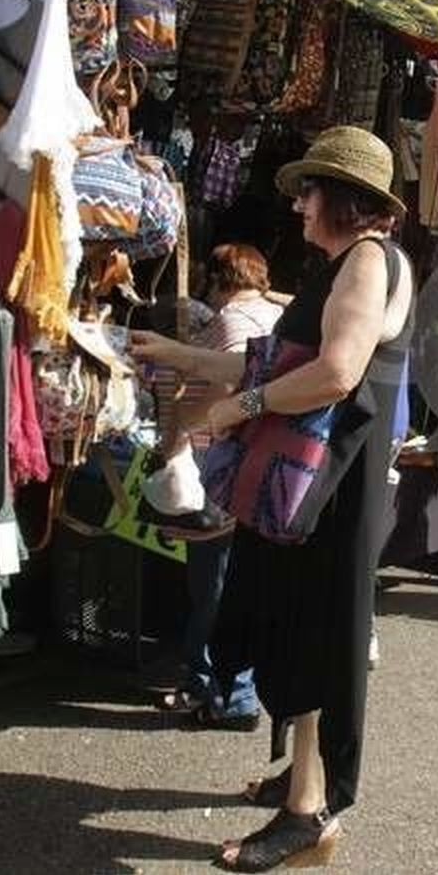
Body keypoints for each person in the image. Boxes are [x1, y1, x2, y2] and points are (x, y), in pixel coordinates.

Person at [134, 126, 413, 871]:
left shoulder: (365, 261)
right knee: (297, 631)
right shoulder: (355, 262)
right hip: (319, 487)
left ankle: (307, 816)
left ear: (342, 199)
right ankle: (302, 783)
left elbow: (335, 372)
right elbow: (276, 362)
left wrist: (238, 408)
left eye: (308, 192)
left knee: (308, 640)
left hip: (326, 491)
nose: (297, 206)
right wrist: (180, 356)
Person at [148, 243, 285, 731]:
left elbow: (232, 388)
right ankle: (227, 686)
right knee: (232, 579)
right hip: (263, 460)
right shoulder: (274, 314)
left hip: (226, 459)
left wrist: (181, 432)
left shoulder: (232, 322)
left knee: (215, 581)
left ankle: (226, 692)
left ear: (220, 279)